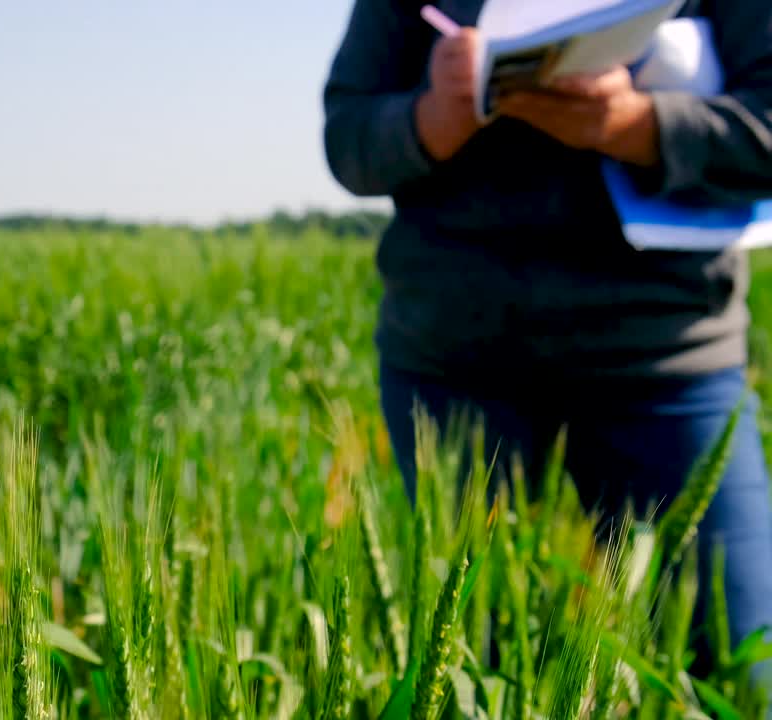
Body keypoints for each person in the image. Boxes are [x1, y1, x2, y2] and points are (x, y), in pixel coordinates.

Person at [322, 0, 772, 676]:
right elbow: (348, 138)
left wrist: (637, 126)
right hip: (453, 363)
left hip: (668, 364)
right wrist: (434, 116)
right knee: (468, 668)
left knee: (739, 670)